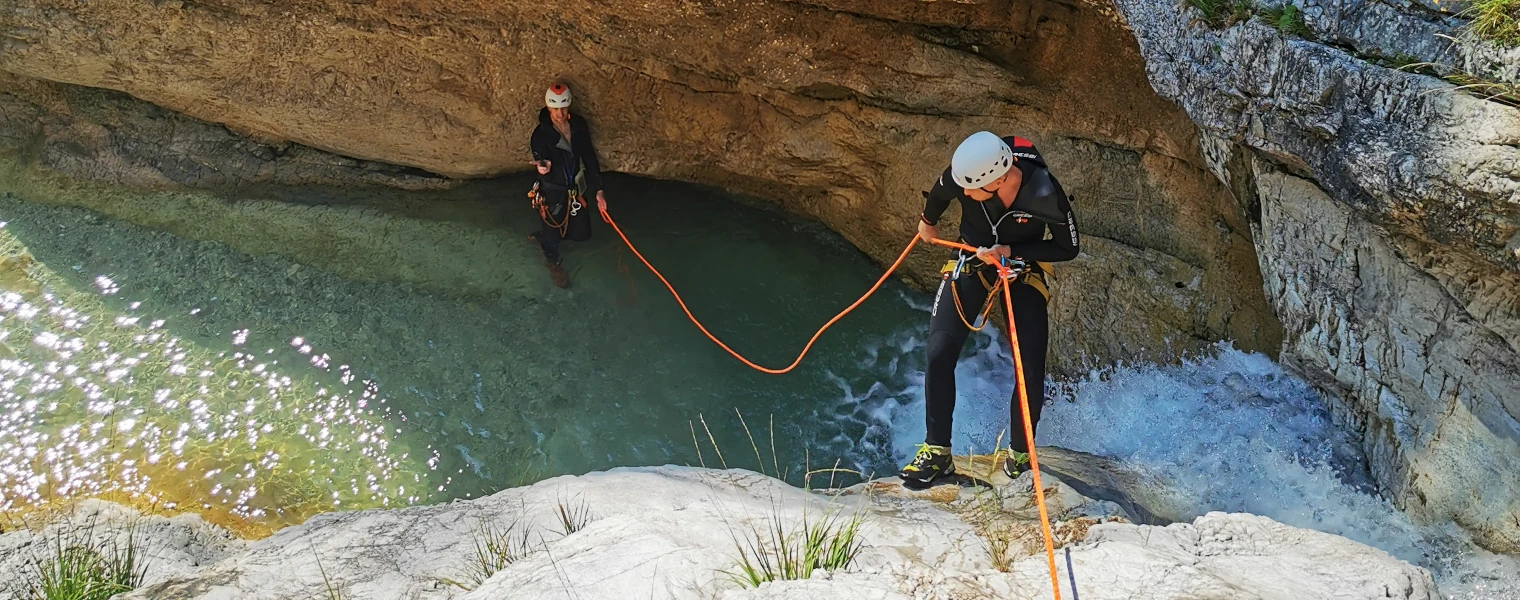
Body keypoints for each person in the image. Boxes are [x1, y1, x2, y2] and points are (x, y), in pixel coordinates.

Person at [899, 131, 1081, 488]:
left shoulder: (1044, 192)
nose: (965, 194)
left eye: (973, 190)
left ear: (998, 179)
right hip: (973, 253)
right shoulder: (969, 173)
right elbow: (941, 191)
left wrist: (1012, 251)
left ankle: (1019, 455)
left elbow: (1068, 247)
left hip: (1023, 262)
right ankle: (937, 454)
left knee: (1029, 364)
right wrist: (928, 221)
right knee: (938, 352)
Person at [527, 82, 607, 288]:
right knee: (552, 241)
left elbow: (589, 157)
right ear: (548, 107)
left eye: (563, 107)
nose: (560, 113)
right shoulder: (541, 135)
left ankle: (545, 234)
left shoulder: (578, 126)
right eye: (555, 108)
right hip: (553, 191)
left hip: (575, 189)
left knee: (582, 235)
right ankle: (551, 260)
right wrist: (544, 168)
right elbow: (541, 160)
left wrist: (598, 190)